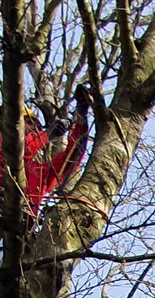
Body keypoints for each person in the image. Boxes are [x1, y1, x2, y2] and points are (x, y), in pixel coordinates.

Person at [0, 85, 91, 217]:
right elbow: (18, 149)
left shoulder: (38, 173)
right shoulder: (4, 139)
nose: (36, 129)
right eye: (29, 122)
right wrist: (48, 134)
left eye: (38, 126)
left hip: (20, 227)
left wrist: (81, 115)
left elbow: (71, 159)